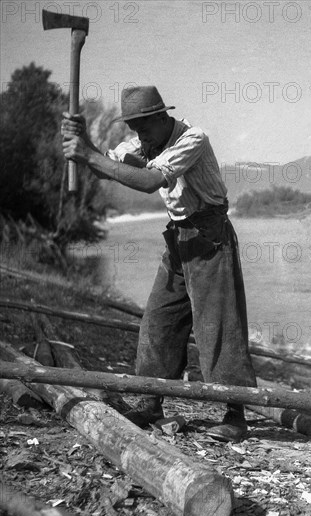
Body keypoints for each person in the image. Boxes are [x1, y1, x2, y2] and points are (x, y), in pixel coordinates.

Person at [62, 85, 257, 442]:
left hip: (210, 237)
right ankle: (150, 403)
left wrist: (88, 157)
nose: (140, 135)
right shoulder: (142, 142)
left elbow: (151, 181)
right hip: (179, 240)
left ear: (162, 117)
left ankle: (235, 413)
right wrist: (83, 142)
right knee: (158, 321)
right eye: (134, 128)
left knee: (218, 326)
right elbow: (108, 167)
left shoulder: (192, 138)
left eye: (145, 127)